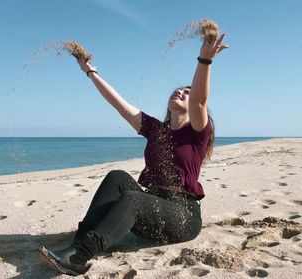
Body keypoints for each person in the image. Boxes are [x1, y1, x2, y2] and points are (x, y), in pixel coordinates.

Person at [36, 34, 228, 276]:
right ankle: (79, 241)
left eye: (186, 92)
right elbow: (119, 104)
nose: (179, 91)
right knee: (117, 177)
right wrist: (90, 72)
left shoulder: (197, 132)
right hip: (152, 209)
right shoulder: (156, 130)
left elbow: (200, 100)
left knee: (132, 198)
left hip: (182, 216)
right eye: (177, 89)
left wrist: (205, 60)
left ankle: (79, 256)